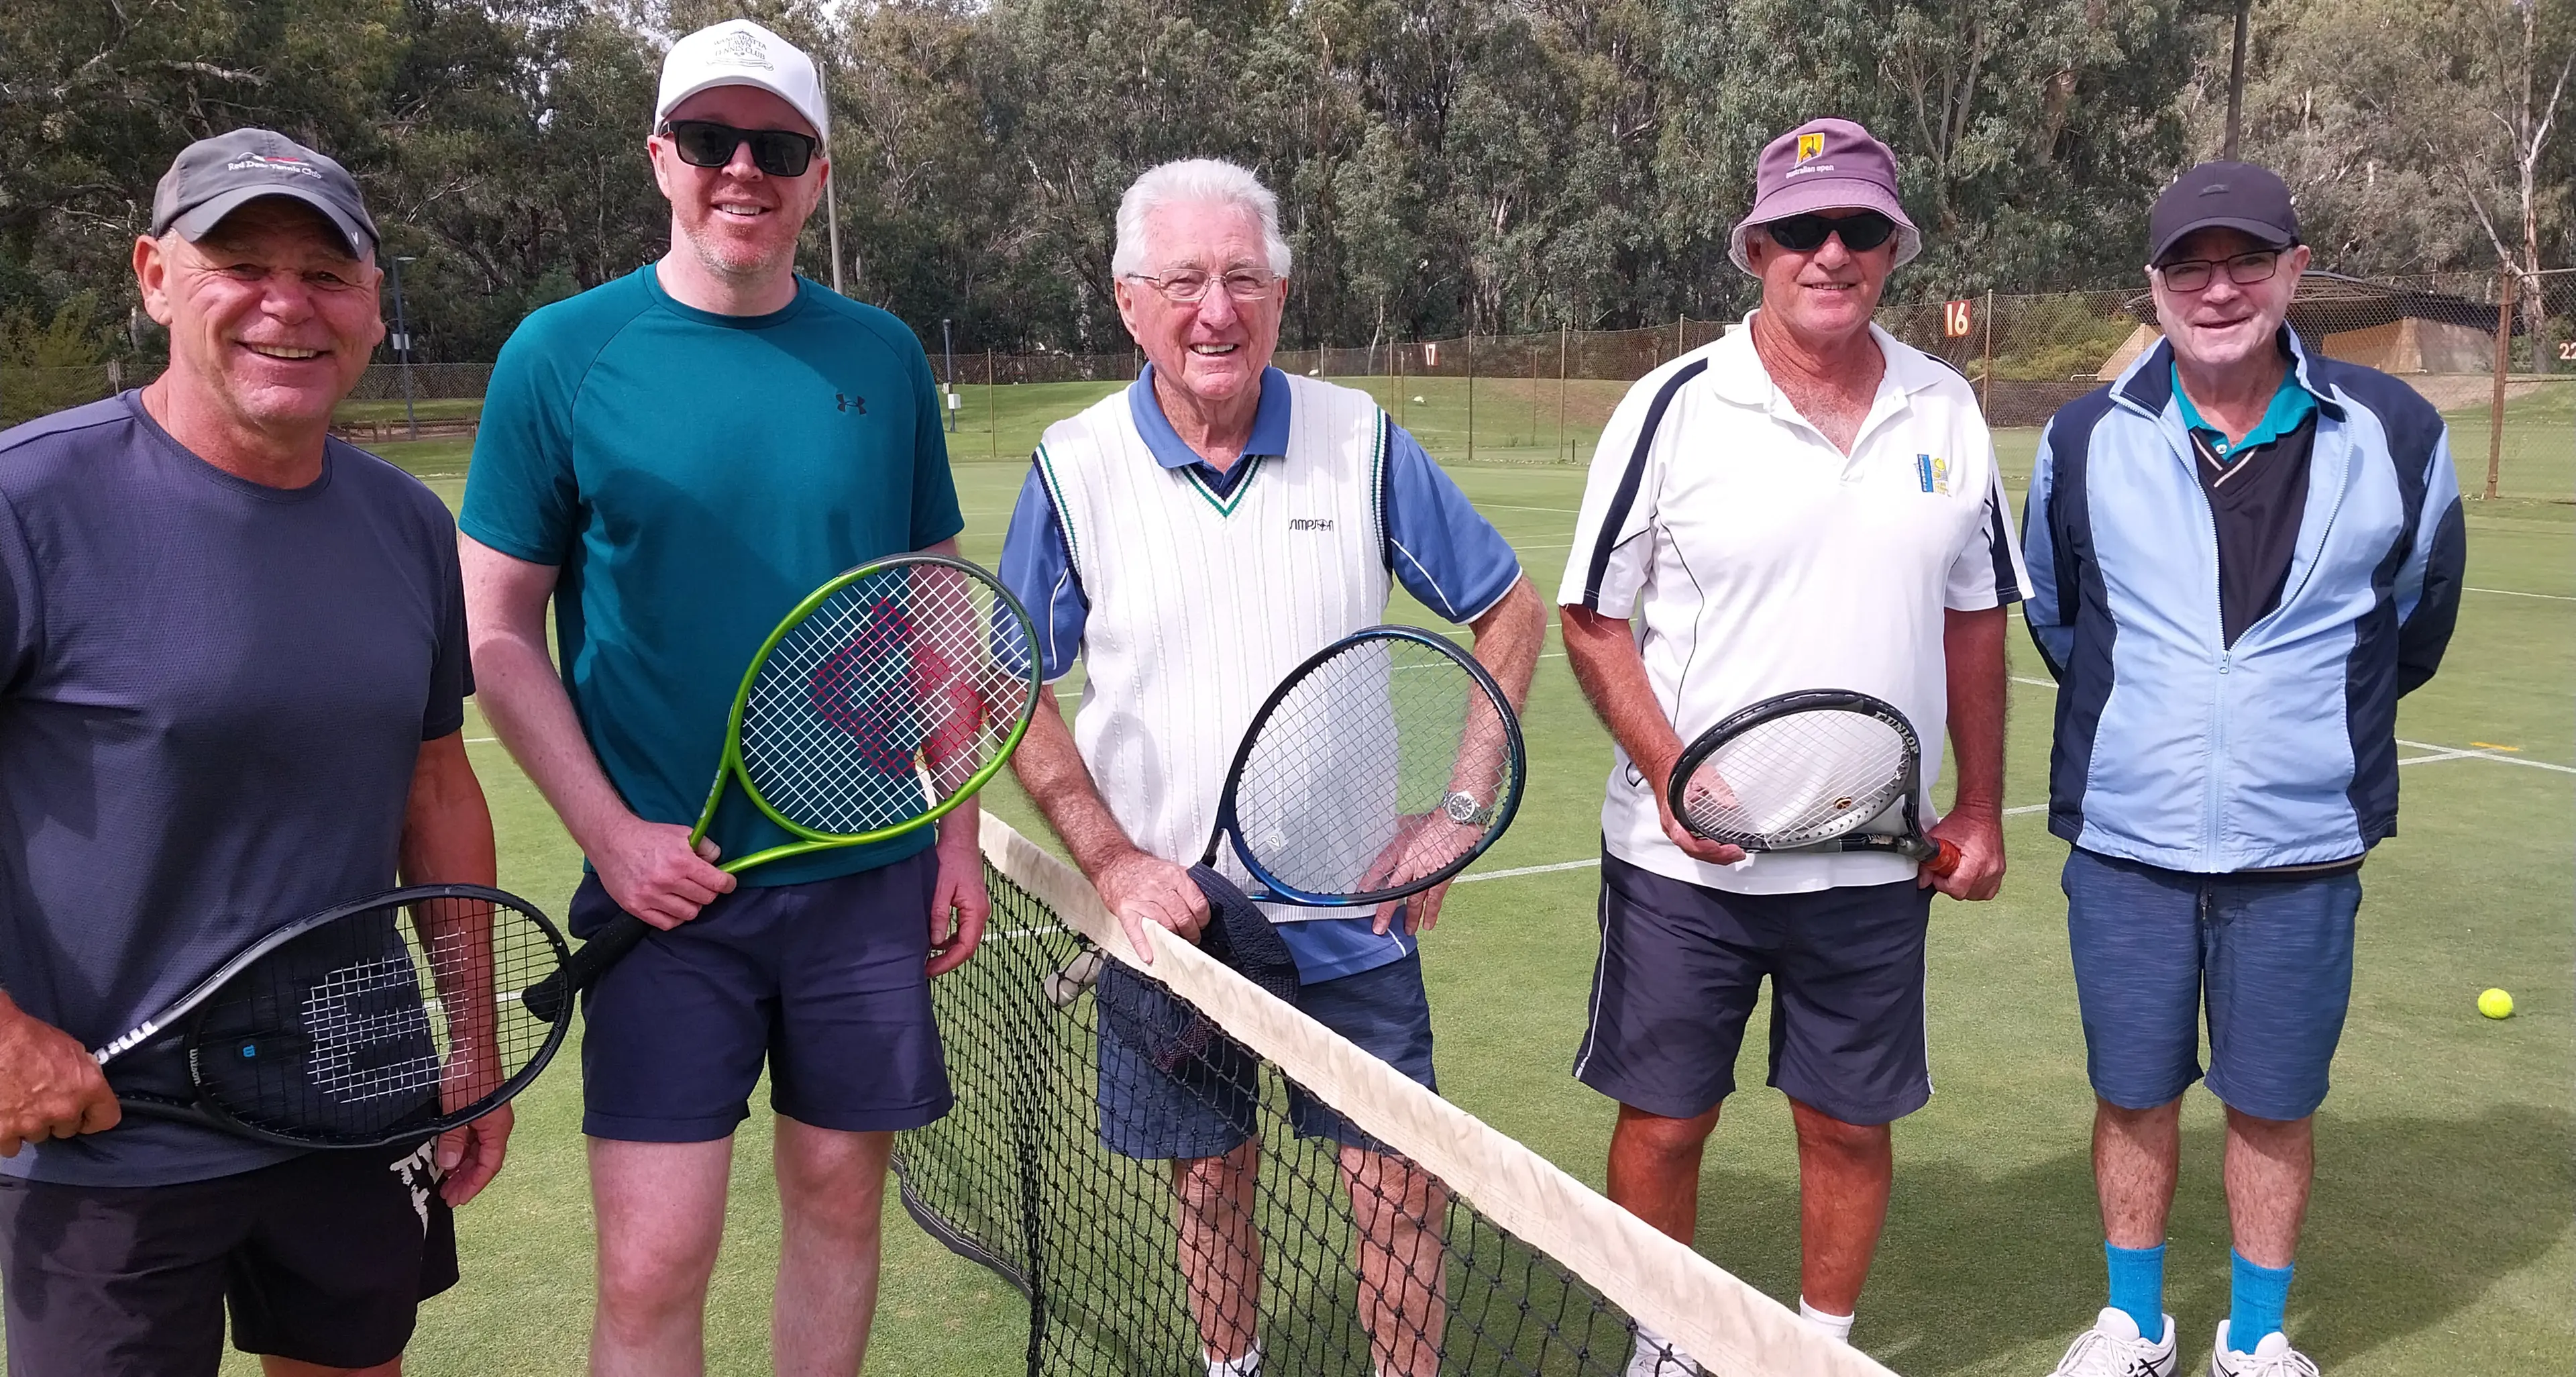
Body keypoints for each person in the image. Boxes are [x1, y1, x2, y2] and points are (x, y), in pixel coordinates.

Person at [458, 20, 982, 1376]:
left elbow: (932, 605)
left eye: (777, 146)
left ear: (816, 175)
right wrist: (612, 839)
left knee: (836, 1204)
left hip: (864, 874)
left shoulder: (882, 357)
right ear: (660, 159)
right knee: (652, 1258)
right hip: (663, 893)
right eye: (710, 141)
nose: (741, 169)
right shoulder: (560, 355)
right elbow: (500, 632)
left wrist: (962, 838)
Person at [1000, 158, 1545, 1377]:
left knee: (1401, 1189)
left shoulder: (1363, 441)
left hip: (1353, 913)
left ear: (1282, 298)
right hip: (1173, 926)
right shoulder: (1072, 467)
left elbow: (1509, 609)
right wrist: (1112, 859)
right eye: (1185, 279)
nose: (1216, 309)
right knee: (1209, 1189)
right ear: (1130, 299)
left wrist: (1458, 812)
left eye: (1244, 278)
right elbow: (1009, 682)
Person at [0, 128, 500, 1377]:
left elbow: (435, 781)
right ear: (156, 278)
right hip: (108, 1142)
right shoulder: (28, 505)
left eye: (327, 273)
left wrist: (473, 1036)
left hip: (350, 1101)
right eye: (240, 262)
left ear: (374, 307)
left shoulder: (407, 525)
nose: (289, 305)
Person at [1556, 118, 2024, 1374]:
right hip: (1683, 868)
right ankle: (1666, 1342)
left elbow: (1977, 620)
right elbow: (1592, 621)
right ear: (1755, 246)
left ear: (1893, 250)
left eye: (1861, 228)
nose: (1832, 252)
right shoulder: (1674, 405)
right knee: (1664, 1125)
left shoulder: (1949, 406)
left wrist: (1979, 808)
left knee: (1850, 1127)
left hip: (1876, 856)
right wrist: (1670, 775)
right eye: (1804, 229)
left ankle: (1818, 1350)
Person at [2024, 162, 2463, 1377]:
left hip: (2301, 842)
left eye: (2247, 261)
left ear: (2295, 274)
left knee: (2275, 1100)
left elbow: (2412, 627)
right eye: (2190, 266)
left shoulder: (2398, 433)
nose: (2219, 289)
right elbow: (2063, 622)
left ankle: (2257, 1341)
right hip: (2130, 838)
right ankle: (2134, 1323)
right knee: (2133, 1089)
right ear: (2154, 285)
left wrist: (2286, 724)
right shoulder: (2084, 436)